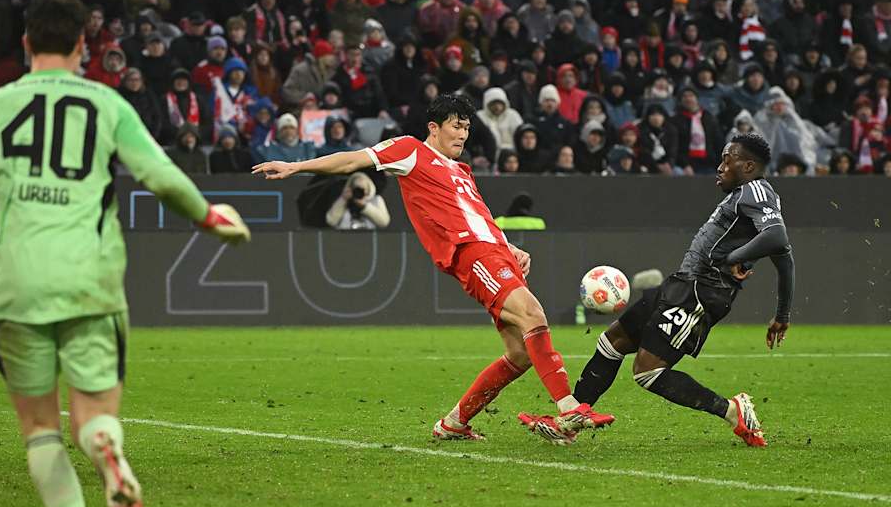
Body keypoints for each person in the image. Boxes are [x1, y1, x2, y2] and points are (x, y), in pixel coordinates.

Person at [0, 0, 250, 507]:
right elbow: (161, 177)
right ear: (83, 45)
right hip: (89, 281)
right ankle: (107, 450)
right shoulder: (108, 105)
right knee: (93, 417)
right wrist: (208, 216)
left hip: (14, 285)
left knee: (39, 432)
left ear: (28, 42)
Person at [254, 93, 615, 445]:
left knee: (520, 354)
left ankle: (454, 423)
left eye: (467, 128)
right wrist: (297, 166)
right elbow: (353, 160)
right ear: (434, 127)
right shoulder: (411, 151)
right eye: (456, 126)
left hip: (495, 251)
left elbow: (480, 216)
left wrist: (510, 246)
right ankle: (568, 407)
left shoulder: (461, 171)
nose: (462, 134)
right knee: (533, 313)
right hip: (470, 254)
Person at [572, 133, 794, 449]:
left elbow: (777, 238)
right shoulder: (743, 196)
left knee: (647, 372)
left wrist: (733, 257)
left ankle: (733, 411)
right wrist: (782, 313)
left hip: (702, 292)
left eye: (726, 161)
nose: (719, 168)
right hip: (683, 283)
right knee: (613, 340)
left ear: (747, 166)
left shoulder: (756, 190)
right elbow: (784, 258)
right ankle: (574, 418)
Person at [325, 171, 390, 229]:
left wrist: (365, 207)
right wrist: (343, 200)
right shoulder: (344, 199)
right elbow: (331, 221)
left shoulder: (376, 200)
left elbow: (384, 222)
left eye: (361, 190)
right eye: (356, 189)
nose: (358, 193)